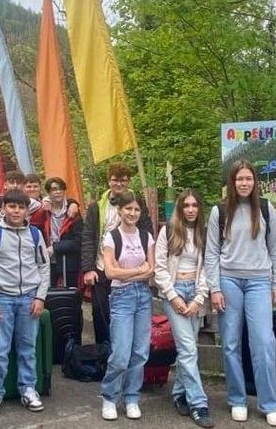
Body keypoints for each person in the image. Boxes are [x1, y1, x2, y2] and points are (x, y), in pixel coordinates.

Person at [204, 159, 276, 427]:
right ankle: (237, 399)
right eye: (239, 179)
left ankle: (269, 403)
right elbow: (212, 252)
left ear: (254, 182)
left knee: (263, 342)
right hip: (228, 280)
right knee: (230, 343)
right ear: (232, 181)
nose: (243, 183)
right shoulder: (219, 211)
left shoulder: (264, 208)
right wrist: (214, 287)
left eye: (248, 178)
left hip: (259, 282)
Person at [0, 190, 50, 417]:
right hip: (2, 298)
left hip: (29, 298)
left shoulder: (36, 234)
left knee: (27, 349)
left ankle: (28, 389)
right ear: (4, 209)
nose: (16, 211)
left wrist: (40, 297)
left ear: (27, 209)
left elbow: (44, 267)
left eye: (21, 207)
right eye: (11, 206)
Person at [154, 189, 213, 428]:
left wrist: (199, 298)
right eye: (186, 205)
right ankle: (199, 404)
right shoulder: (167, 231)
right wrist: (173, 296)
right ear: (180, 208)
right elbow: (159, 267)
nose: (190, 209)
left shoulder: (205, 233)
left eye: (194, 205)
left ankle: (179, 393)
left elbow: (209, 267)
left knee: (188, 349)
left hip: (195, 293)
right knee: (188, 349)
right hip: (174, 291)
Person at [98, 191, 155, 421]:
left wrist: (127, 274)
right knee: (121, 352)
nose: (132, 213)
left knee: (140, 351)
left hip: (143, 296)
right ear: (119, 210)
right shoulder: (111, 237)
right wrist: (137, 271)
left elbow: (151, 269)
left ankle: (132, 396)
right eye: (128, 209)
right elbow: (110, 272)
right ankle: (109, 396)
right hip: (120, 296)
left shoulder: (146, 237)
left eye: (136, 209)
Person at [82, 163, 153, 345]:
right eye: (115, 180)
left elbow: (147, 233)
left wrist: (145, 265)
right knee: (100, 312)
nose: (119, 184)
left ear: (129, 182)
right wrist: (88, 269)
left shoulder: (137, 205)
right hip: (102, 267)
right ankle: (103, 355)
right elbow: (89, 236)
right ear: (109, 181)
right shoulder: (97, 206)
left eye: (123, 181)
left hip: (131, 269)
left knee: (127, 316)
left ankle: (124, 356)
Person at [30, 177, 82, 288]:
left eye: (60, 189)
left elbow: (78, 241)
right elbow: (33, 228)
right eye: (54, 189)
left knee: (72, 295)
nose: (58, 192)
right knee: (49, 294)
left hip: (68, 261)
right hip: (46, 260)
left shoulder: (73, 212)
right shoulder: (44, 211)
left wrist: (55, 247)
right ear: (48, 192)